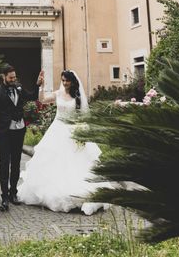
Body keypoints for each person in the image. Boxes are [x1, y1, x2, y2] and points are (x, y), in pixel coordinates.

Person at [16, 69, 110, 215]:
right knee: (54, 161)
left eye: (67, 80)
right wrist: (41, 85)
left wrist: (81, 130)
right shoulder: (58, 94)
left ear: (72, 81)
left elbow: (82, 116)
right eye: (63, 80)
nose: (64, 83)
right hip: (57, 130)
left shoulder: (77, 97)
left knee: (75, 162)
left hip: (72, 131)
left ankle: (78, 192)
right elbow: (42, 100)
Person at [0, 65, 44, 211]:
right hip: (4, 132)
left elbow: (31, 97)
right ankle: (4, 196)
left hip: (19, 130)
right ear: (3, 77)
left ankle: (13, 193)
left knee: (16, 162)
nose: (13, 80)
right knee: (5, 162)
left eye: (14, 77)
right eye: (11, 77)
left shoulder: (18, 88)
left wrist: (38, 84)